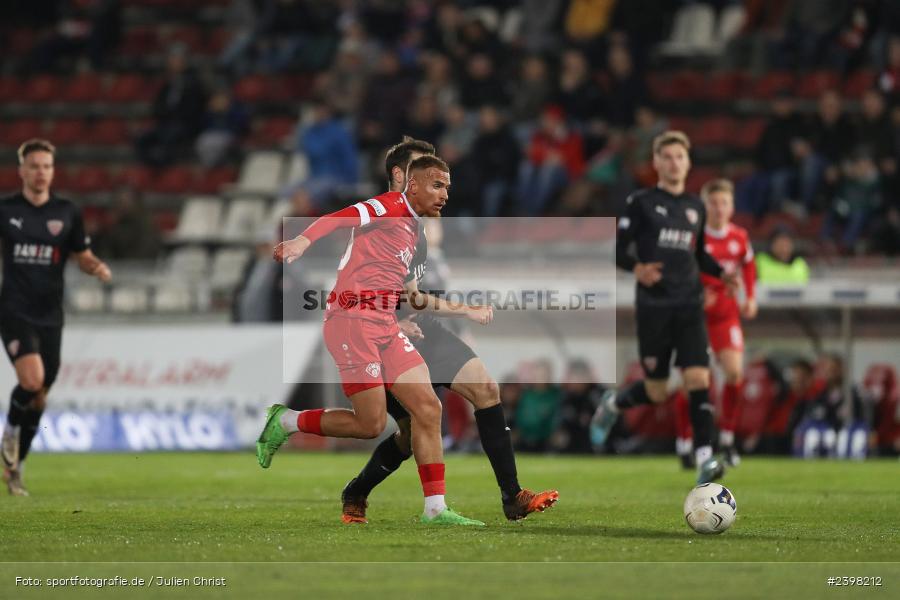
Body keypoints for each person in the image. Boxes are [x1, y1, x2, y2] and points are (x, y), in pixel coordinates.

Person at [257, 154, 491, 526]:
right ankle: (286, 421)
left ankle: (435, 509)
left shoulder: (414, 231)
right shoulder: (389, 206)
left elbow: (404, 290)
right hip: (351, 322)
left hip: (385, 323)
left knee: (429, 410)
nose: (445, 193)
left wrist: (411, 318)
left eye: (447, 186)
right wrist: (301, 239)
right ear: (411, 185)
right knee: (370, 425)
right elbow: (340, 217)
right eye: (436, 184)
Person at [340, 137, 558, 524]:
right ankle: (358, 491)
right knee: (409, 433)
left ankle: (512, 496)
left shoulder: (420, 227)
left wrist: (461, 313)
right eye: (422, 174)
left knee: (486, 389)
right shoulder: (377, 221)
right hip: (383, 332)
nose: (435, 186)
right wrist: (394, 319)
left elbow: (414, 293)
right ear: (400, 176)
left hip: (424, 327)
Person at [590, 130, 739, 484]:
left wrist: (722, 274)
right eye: (667, 157)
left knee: (697, 377)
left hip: (689, 302)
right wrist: (638, 268)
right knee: (657, 391)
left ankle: (705, 459)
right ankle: (613, 404)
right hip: (655, 306)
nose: (674, 163)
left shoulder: (694, 207)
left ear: (688, 163)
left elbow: (698, 253)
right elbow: (619, 250)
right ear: (656, 162)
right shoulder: (640, 202)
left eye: (680, 157)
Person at [0, 139, 112, 496]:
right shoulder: (6, 210)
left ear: (53, 170)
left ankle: (17, 469)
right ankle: (10, 430)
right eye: (34, 166)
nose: (40, 172)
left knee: (40, 397)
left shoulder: (67, 211)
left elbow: (82, 254)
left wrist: (94, 266)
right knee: (31, 380)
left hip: (51, 314)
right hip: (15, 309)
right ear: (22, 171)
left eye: (46, 166)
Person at [673, 179, 757, 469]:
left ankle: (728, 439)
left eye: (724, 203)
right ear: (704, 206)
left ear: (732, 206)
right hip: (696, 316)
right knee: (694, 383)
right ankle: (684, 442)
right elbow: (680, 271)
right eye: (713, 203)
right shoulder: (695, 238)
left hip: (725, 316)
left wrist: (750, 297)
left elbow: (748, 264)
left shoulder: (740, 237)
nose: (719, 208)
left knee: (734, 374)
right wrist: (696, 294)